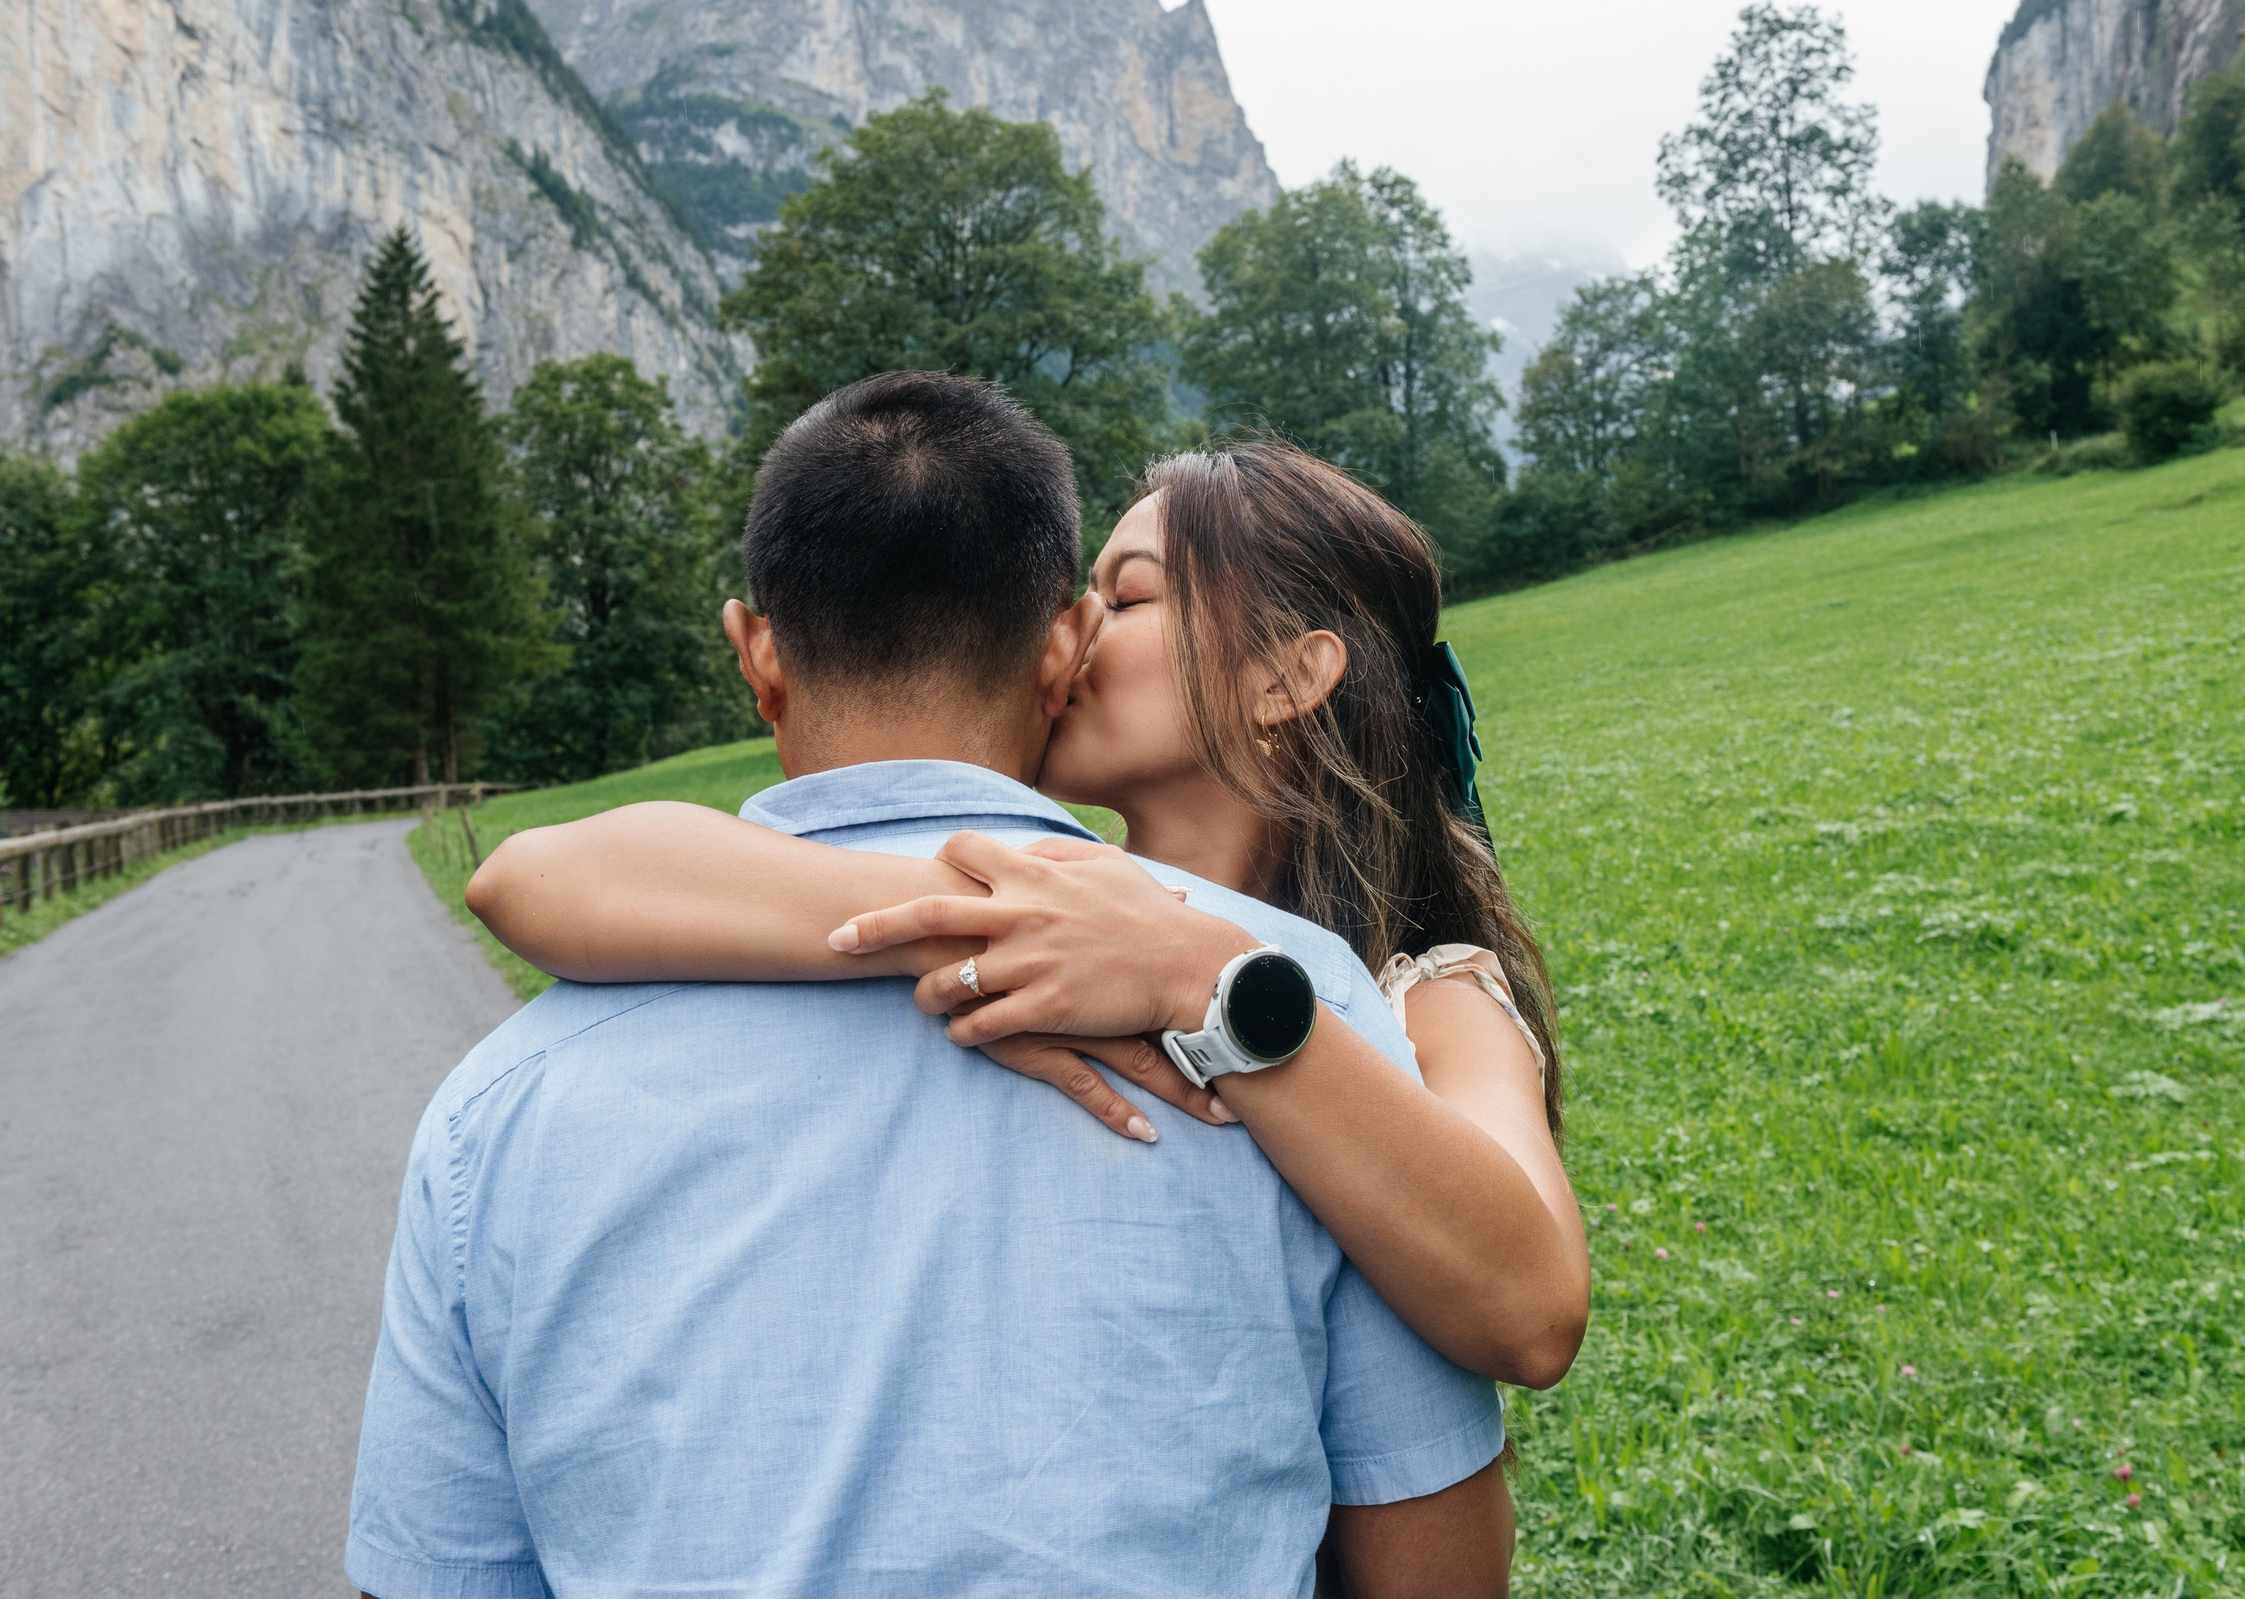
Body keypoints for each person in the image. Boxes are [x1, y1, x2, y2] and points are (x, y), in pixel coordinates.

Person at [346, 374, 1513, 1599]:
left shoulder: (502, 1103)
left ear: (755, 650)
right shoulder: (1292, 1005)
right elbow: (1436, 1561)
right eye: (1104, 602)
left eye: (1141, 596)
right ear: (1061, 647)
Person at [466, 438, 1590, 1394]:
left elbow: (1532, 1309)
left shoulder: (1433, 994)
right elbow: (533, 879)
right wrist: (984, 920)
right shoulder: (1048, 906)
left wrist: (1202, 976)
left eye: (1131, 594)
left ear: (1284, 678)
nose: (1080, 622)